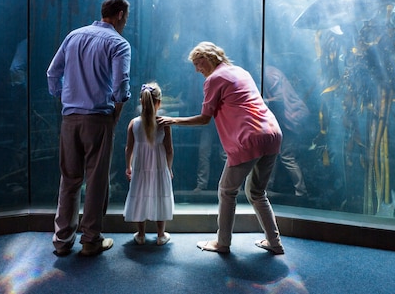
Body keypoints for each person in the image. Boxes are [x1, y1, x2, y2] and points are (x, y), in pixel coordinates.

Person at [158, 42, 285, 255]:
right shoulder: (240, 71)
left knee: (227, 191)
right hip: (272, 133)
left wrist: (172, 120)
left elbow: (204, 119)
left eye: (199, 63)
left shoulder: (214, 79)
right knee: (257, 192)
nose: (198, 69)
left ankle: (222, 242)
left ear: (210, 58)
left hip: (249, 138)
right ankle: (275, 242)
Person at [47, 0, 131, 257]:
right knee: (96, 180)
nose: (125, 22)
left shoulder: (74, 36)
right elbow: (120, 87)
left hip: (70, 118)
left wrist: (64, 99)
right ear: (119, 15)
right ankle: (91, 240)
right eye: (125, 18)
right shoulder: (119, 44)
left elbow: (53, 73)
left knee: (69, 180)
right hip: (98, 119)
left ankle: (62, 241)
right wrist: (117, 109)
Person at [123, 82, 174, 245]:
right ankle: (160, 235)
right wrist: (169, 168)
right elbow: (169, 149)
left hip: (140, 166)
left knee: (140, 195)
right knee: (159, 194)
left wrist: (128, 166)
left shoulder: (133, 123)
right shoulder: (163, 124)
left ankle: (141, 234)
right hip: (159, 166)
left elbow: (128, 148)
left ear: (141, 101)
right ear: (159, 102)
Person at [263, 65, 309, 197]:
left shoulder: (269, 74)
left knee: (287, 156)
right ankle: (268, 187)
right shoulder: (270, 72)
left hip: (290, 120)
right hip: (284, 122)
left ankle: (302, 192)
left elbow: (279, 98)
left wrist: (265, 101)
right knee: (272, 154)